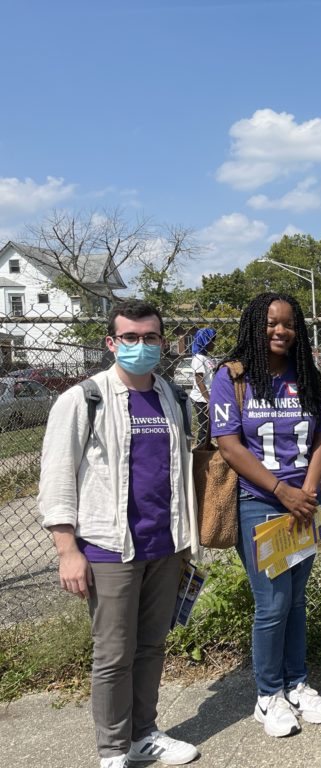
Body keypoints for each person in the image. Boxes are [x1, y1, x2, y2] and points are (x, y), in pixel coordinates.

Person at [39, 300, 199, 768]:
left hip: (165, 546)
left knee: (151, 645)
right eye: (130, 337)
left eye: (150, 337)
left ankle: (143, 735)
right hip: (110, 548)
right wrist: (67, 549)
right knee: (113, 654)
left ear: (163, 343)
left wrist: (186, 542)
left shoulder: (173, 397)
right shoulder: (82, 399)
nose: (140, 346)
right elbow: (56, 479)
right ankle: (112, 750)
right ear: (111, 343)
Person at [210, 292, 321, 737]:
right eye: (270, 323)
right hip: (260, 502)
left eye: (287, 324)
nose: (279, 330)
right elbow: (228, 444)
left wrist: (307, 490)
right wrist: (282, 491)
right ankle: (268, 695)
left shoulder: (306, 376)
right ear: (254, 326)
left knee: (296, 599)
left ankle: (297, 683)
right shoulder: (232, 377)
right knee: (272, 603)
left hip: (303, 503)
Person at [190, 327, 217, 445]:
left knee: (209, 427)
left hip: (208, 397)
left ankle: (206, 446)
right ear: (205, 341)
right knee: (204, 427)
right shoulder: (198, 358)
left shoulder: (206, 358)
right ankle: (200, 450)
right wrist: (208, 400)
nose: (214, 344)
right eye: (212, 341)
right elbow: (199, 380)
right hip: (201, 399)